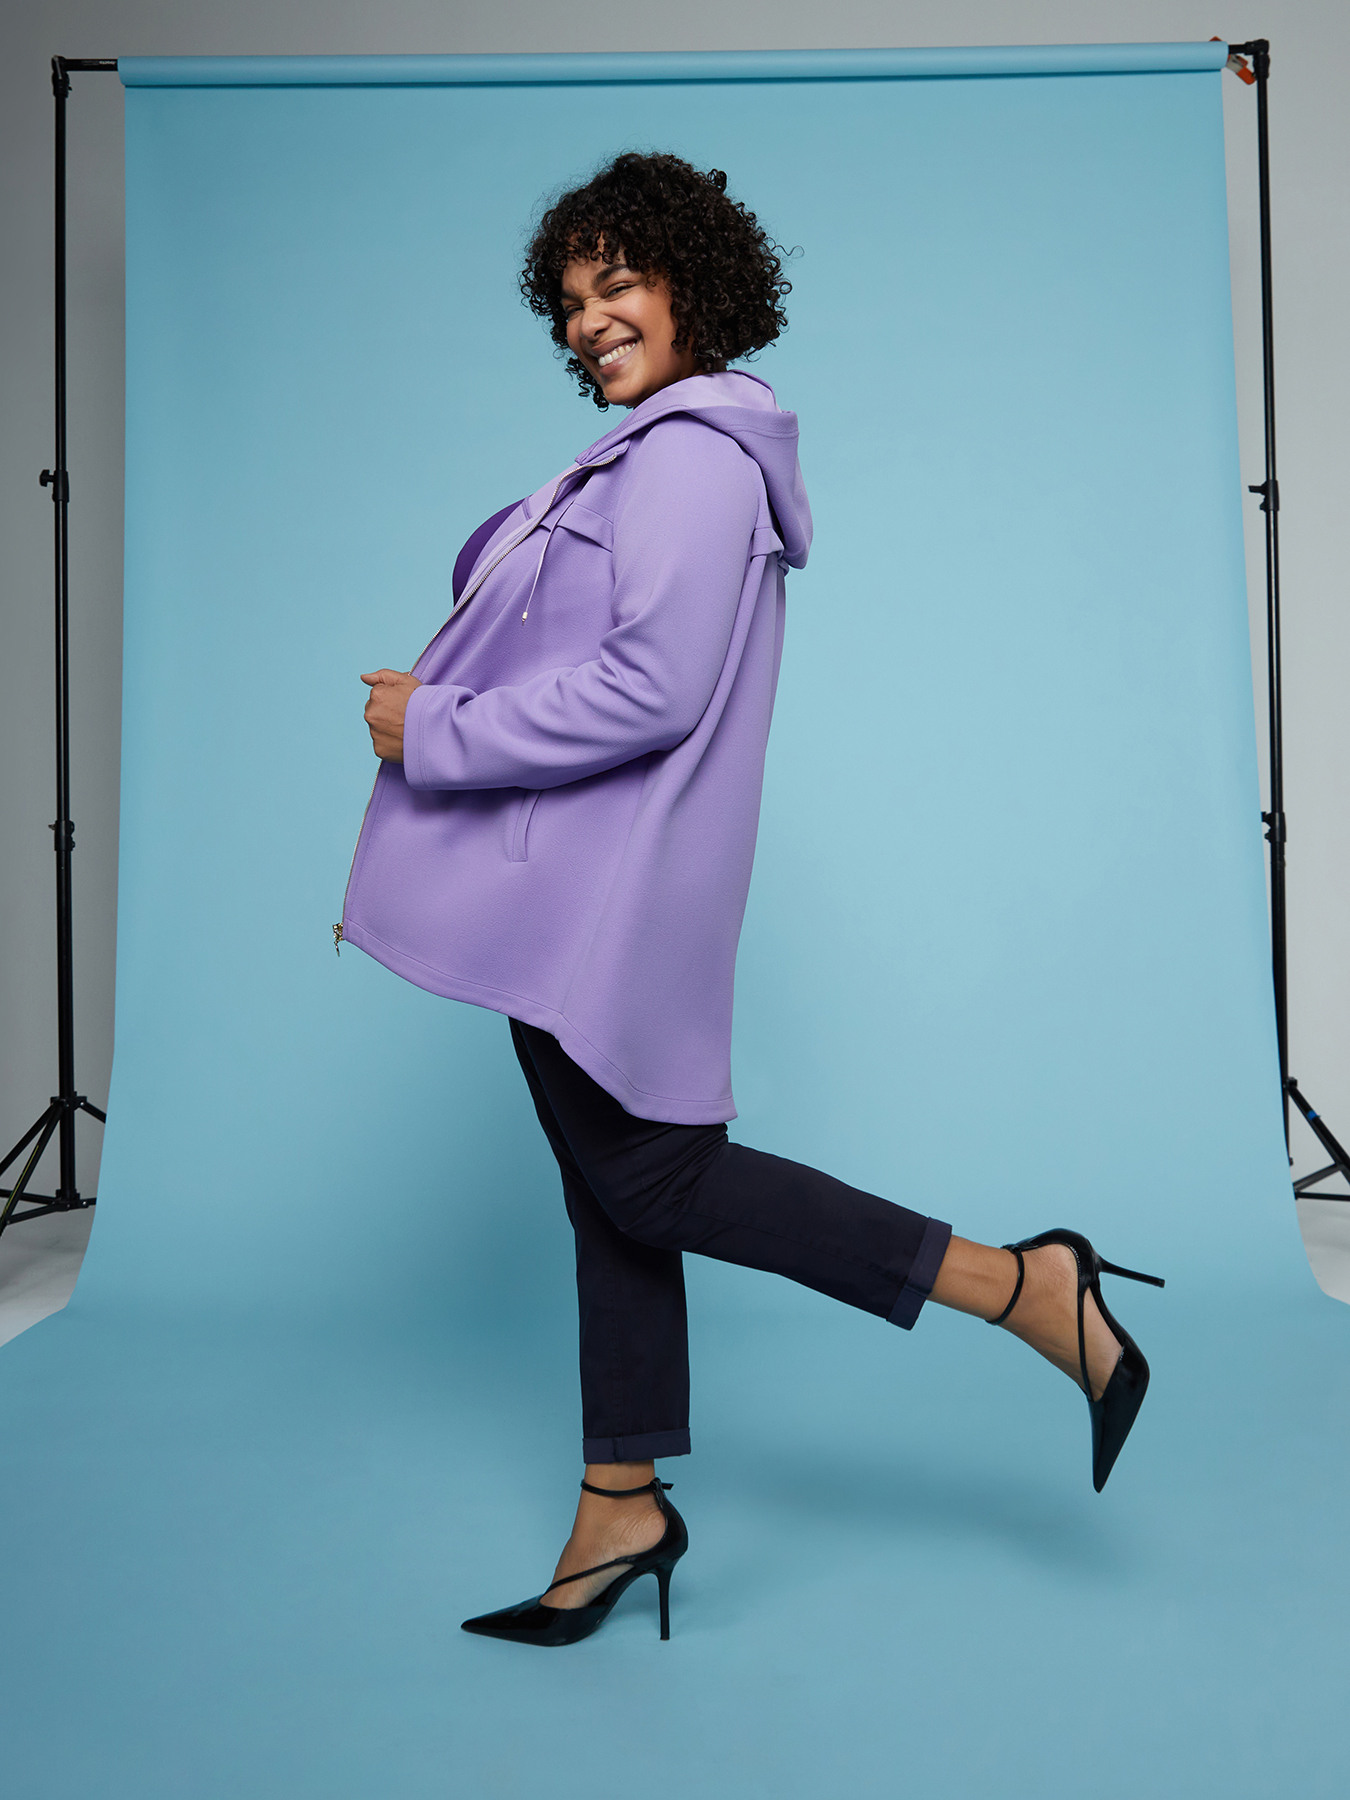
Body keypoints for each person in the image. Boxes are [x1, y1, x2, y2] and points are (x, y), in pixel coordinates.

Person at [342, 152, 1163, 1648]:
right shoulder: (658, 452)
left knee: (653, 1179)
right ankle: (619, 1502)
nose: (589, 320)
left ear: (693, 287)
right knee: (611, 1192)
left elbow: (653, 688)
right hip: (562, 889)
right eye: (570, 301)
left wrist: (437, 730)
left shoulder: (691, 458)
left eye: (618, 285)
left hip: (596, 895)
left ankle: (1027, 1287)